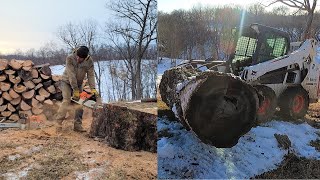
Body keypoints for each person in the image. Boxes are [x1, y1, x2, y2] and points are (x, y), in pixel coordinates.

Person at [55, 46, 99, 132]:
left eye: (80, 58)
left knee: (80, 103)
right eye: (77, 57)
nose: (78, 59)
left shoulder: (89, 61)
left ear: (85, 57)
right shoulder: (70, 58)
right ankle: (58, 124)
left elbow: (90, 75)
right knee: (66, 101)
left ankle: (77, 125)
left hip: (78, 84)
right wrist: (75, 89)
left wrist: (93, 88)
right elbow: (71, 75)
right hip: (66, 82)